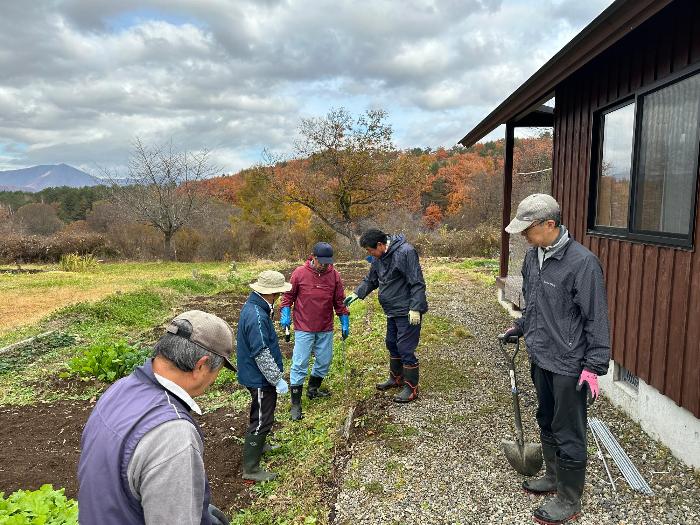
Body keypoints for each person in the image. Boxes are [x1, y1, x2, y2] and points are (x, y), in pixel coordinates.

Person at [499, 194, 610, 525]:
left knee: (568, 429)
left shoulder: (583, 263)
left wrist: (594, 366)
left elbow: (597, 319)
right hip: (541, 355)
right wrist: (520, 326)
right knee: (545, 419)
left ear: (550, 225)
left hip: (569, 363)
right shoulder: (533, 257)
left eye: (527, 230)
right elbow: (533, 303)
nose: (523, 237)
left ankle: (569, 498)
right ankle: (552, 477)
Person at [78, 310, 234, 525]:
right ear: (201, 365)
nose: (215, 378)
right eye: (218, 369)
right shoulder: (174, 433)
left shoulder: (120, 389)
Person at [344, 229, 428, 403]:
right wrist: (357, 293)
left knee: (405, 348)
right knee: (391, 343)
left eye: (370, 250)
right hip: (392, 310)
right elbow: (371, 280)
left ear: (380, 245)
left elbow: (417, 282)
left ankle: (411, 388)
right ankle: (396, 378)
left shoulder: (406, 252)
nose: (370, 254)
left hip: (407, 310)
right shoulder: (379, 258)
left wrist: (416, 308)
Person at [280, 242, 350, 420]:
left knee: (325, 360)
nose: (325, 265)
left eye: (328, 262)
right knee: (300, 363)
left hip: (325, 326)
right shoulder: (300, 273)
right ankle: (296, 403)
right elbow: (288, 296)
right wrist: (286, 312)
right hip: (304, 326)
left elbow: (339, 301)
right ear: (313, 257)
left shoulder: (334, 275)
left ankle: (313, 389)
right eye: (322, 261)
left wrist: (344, 319)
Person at [236, 270, 291, 482]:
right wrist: (276, 379)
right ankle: (250, 469)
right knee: (262, 418)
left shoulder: (256, 307)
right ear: (272, 293)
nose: (279, 297)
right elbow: (260, 352)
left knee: (261, 412)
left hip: (257, 375)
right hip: (259, 377)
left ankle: (262, 445)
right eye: (278, 293)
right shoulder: (257, 316)